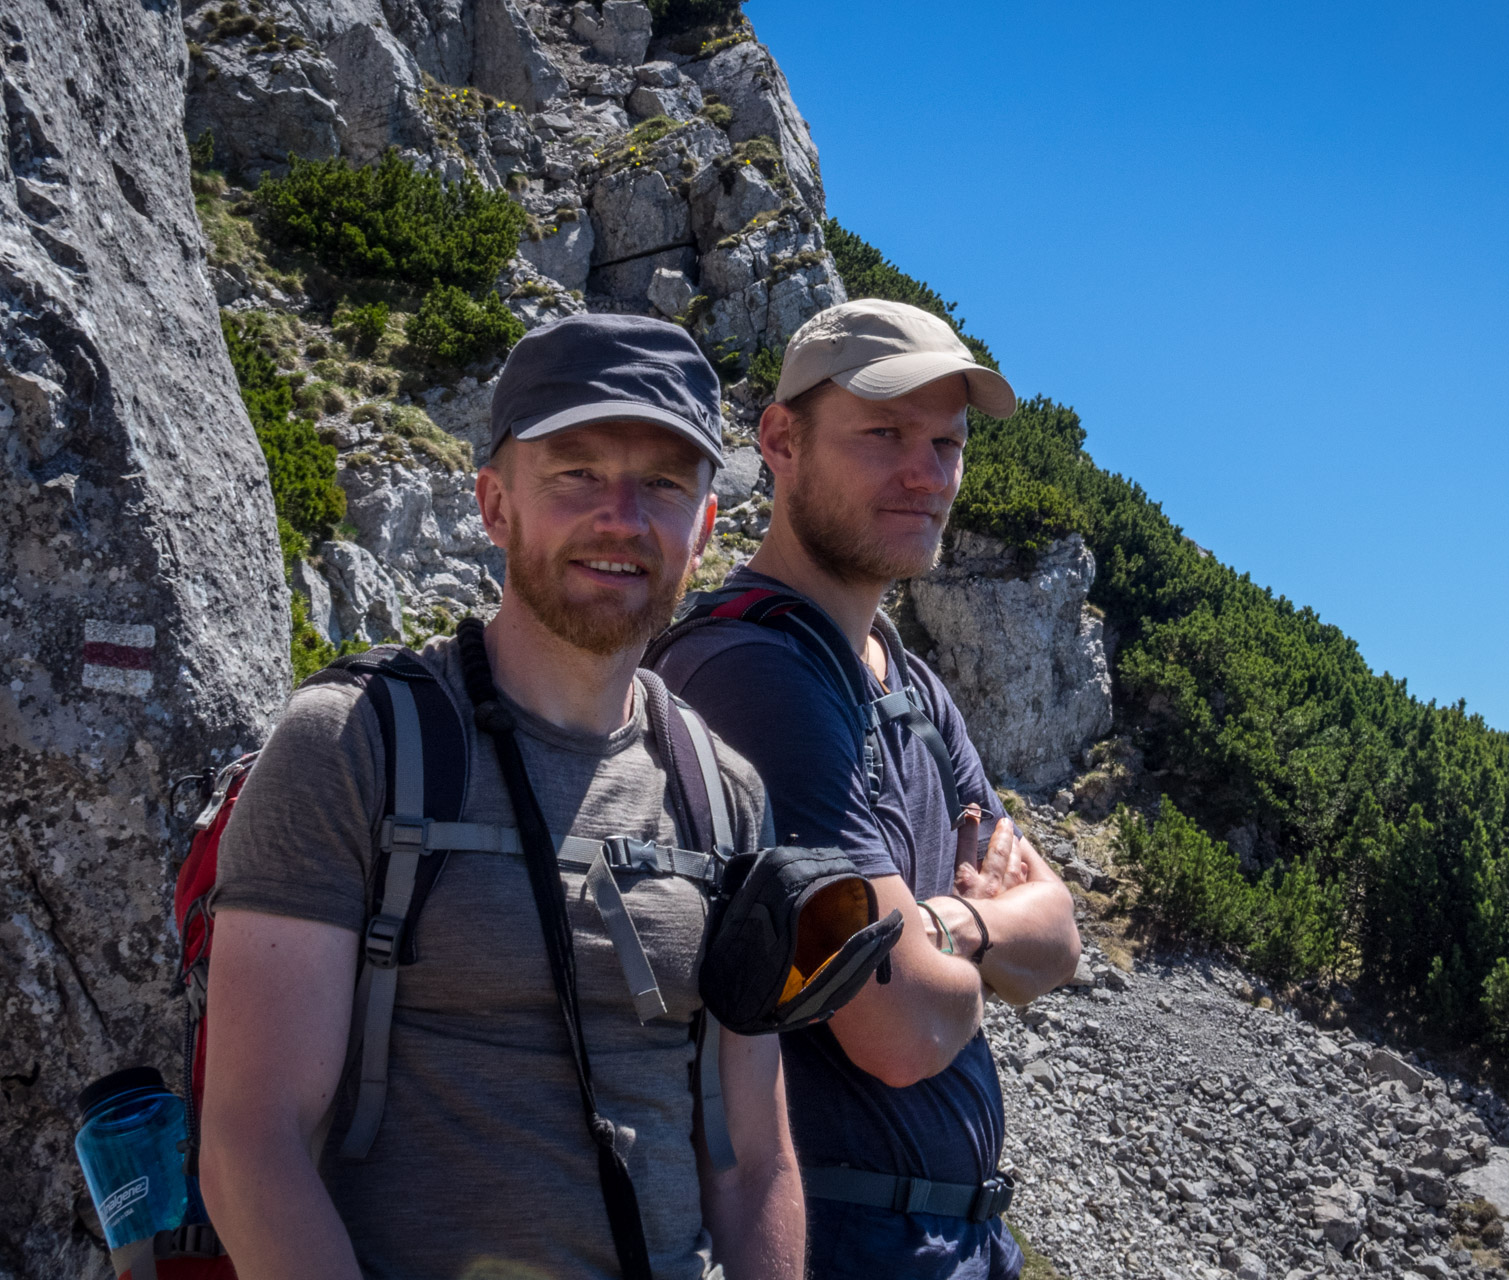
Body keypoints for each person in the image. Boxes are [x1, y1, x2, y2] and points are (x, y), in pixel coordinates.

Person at [200, 314, 804, 1280]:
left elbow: (753, 1163)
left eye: (662, 482)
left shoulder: (723, 794)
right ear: (495, 504)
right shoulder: (351, 748)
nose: (622, 515)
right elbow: (251, 1143)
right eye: (574, 472)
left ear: (703, 528)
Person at [649, 299, 1083, 1279]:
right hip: (837, 1240)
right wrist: (978, 929)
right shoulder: (754, 674)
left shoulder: (911, 680)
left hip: (962, 1238)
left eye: (946, 441)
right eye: (884, 433)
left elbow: (1057, 939)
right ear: (780, 440)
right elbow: (902, 1025)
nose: (927, 473)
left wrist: (944, 932)